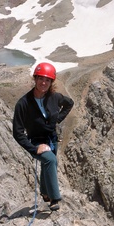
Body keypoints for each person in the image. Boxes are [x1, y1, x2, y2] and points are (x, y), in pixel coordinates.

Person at [13, 62, 74, 211]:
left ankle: (45, 193)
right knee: (50, 160)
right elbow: (17, 132)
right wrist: (34, 149)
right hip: (36, 141)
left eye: (47, 80)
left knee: (48, 164)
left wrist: (57, 119)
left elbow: (69, 103)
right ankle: (54, 198)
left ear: (51, 82)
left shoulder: (55, 97)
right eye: (41, 78)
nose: (44, 82)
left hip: (52, 138)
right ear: (35, 79)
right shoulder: (23, 103)